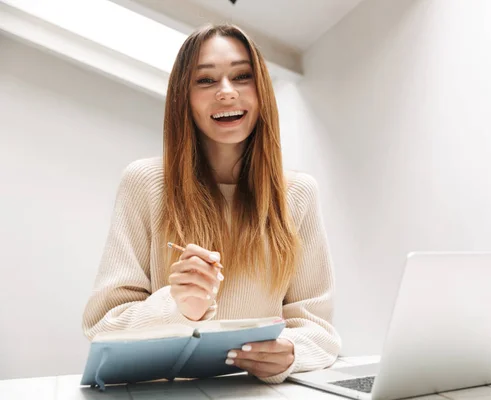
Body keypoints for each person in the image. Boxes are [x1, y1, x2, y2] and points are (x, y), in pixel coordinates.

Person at [81, 24, 341, 384]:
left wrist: (290, 352)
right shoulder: (144, 183)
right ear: (182, 98)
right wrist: (179, 306)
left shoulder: (298, 193)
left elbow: (320, 330)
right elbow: (102, 326)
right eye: (205, 81)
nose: (227, 93)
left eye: (242, 76)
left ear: (261, 90)